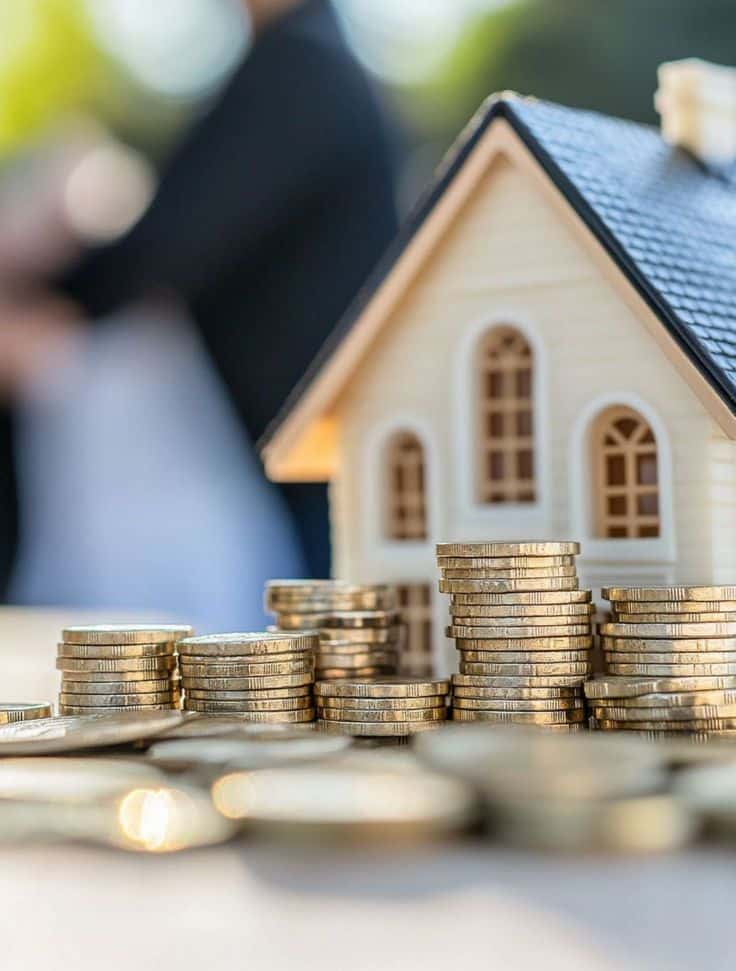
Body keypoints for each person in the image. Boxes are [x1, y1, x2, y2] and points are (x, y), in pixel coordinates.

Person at [0, 0, 398, 625]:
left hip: (305, 458)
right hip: (292, 453)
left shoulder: (299, 66)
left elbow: (170, 244)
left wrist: (43, 290)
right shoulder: (311, 63)